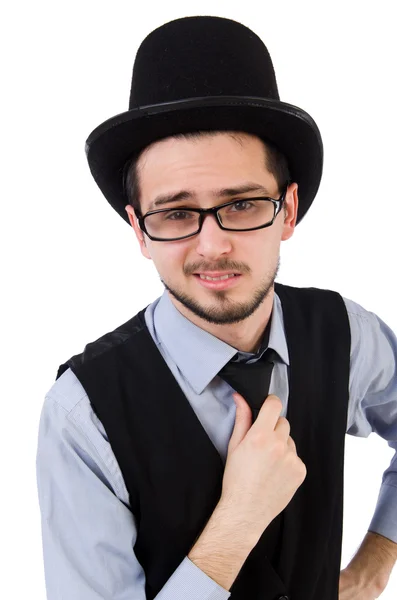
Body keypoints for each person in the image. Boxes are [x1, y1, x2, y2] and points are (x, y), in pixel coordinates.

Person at [36, 15, 397, 600]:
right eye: (176, 213)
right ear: (138, 229)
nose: (212, 246)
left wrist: (376, 562)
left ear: (288, 210)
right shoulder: (81, 415)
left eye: (243, 203)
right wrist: (236, 525)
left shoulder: (348, 334)